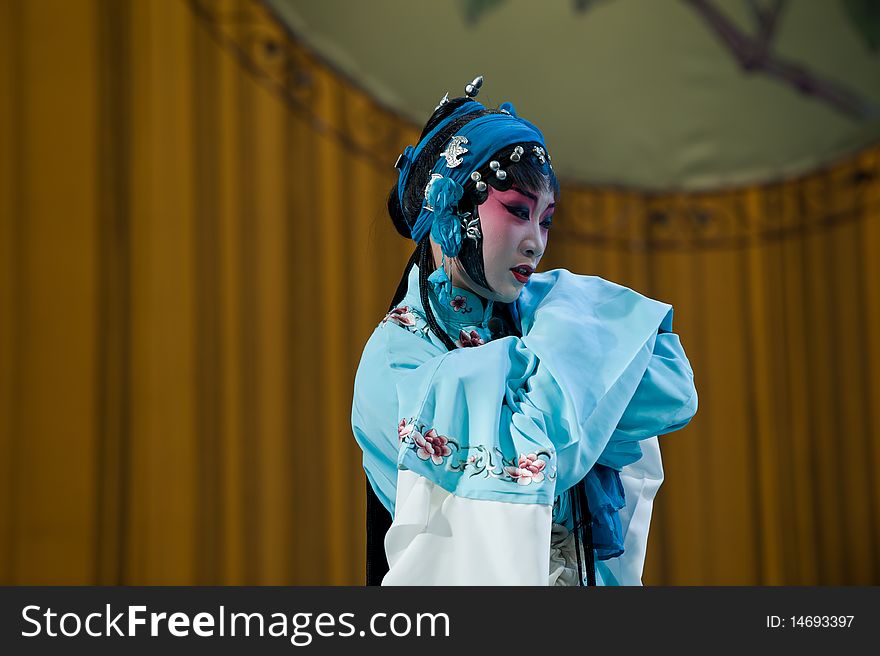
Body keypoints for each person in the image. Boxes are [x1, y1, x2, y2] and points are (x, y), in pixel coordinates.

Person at [352, 76, 698, 586]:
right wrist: (573, 331)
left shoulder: (540, 313)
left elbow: (672, 391)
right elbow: (535, 461)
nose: (536, 243)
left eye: (546, 220)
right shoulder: (396, 358)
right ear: (450, 210)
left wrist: (548, 339)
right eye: (517, 212)